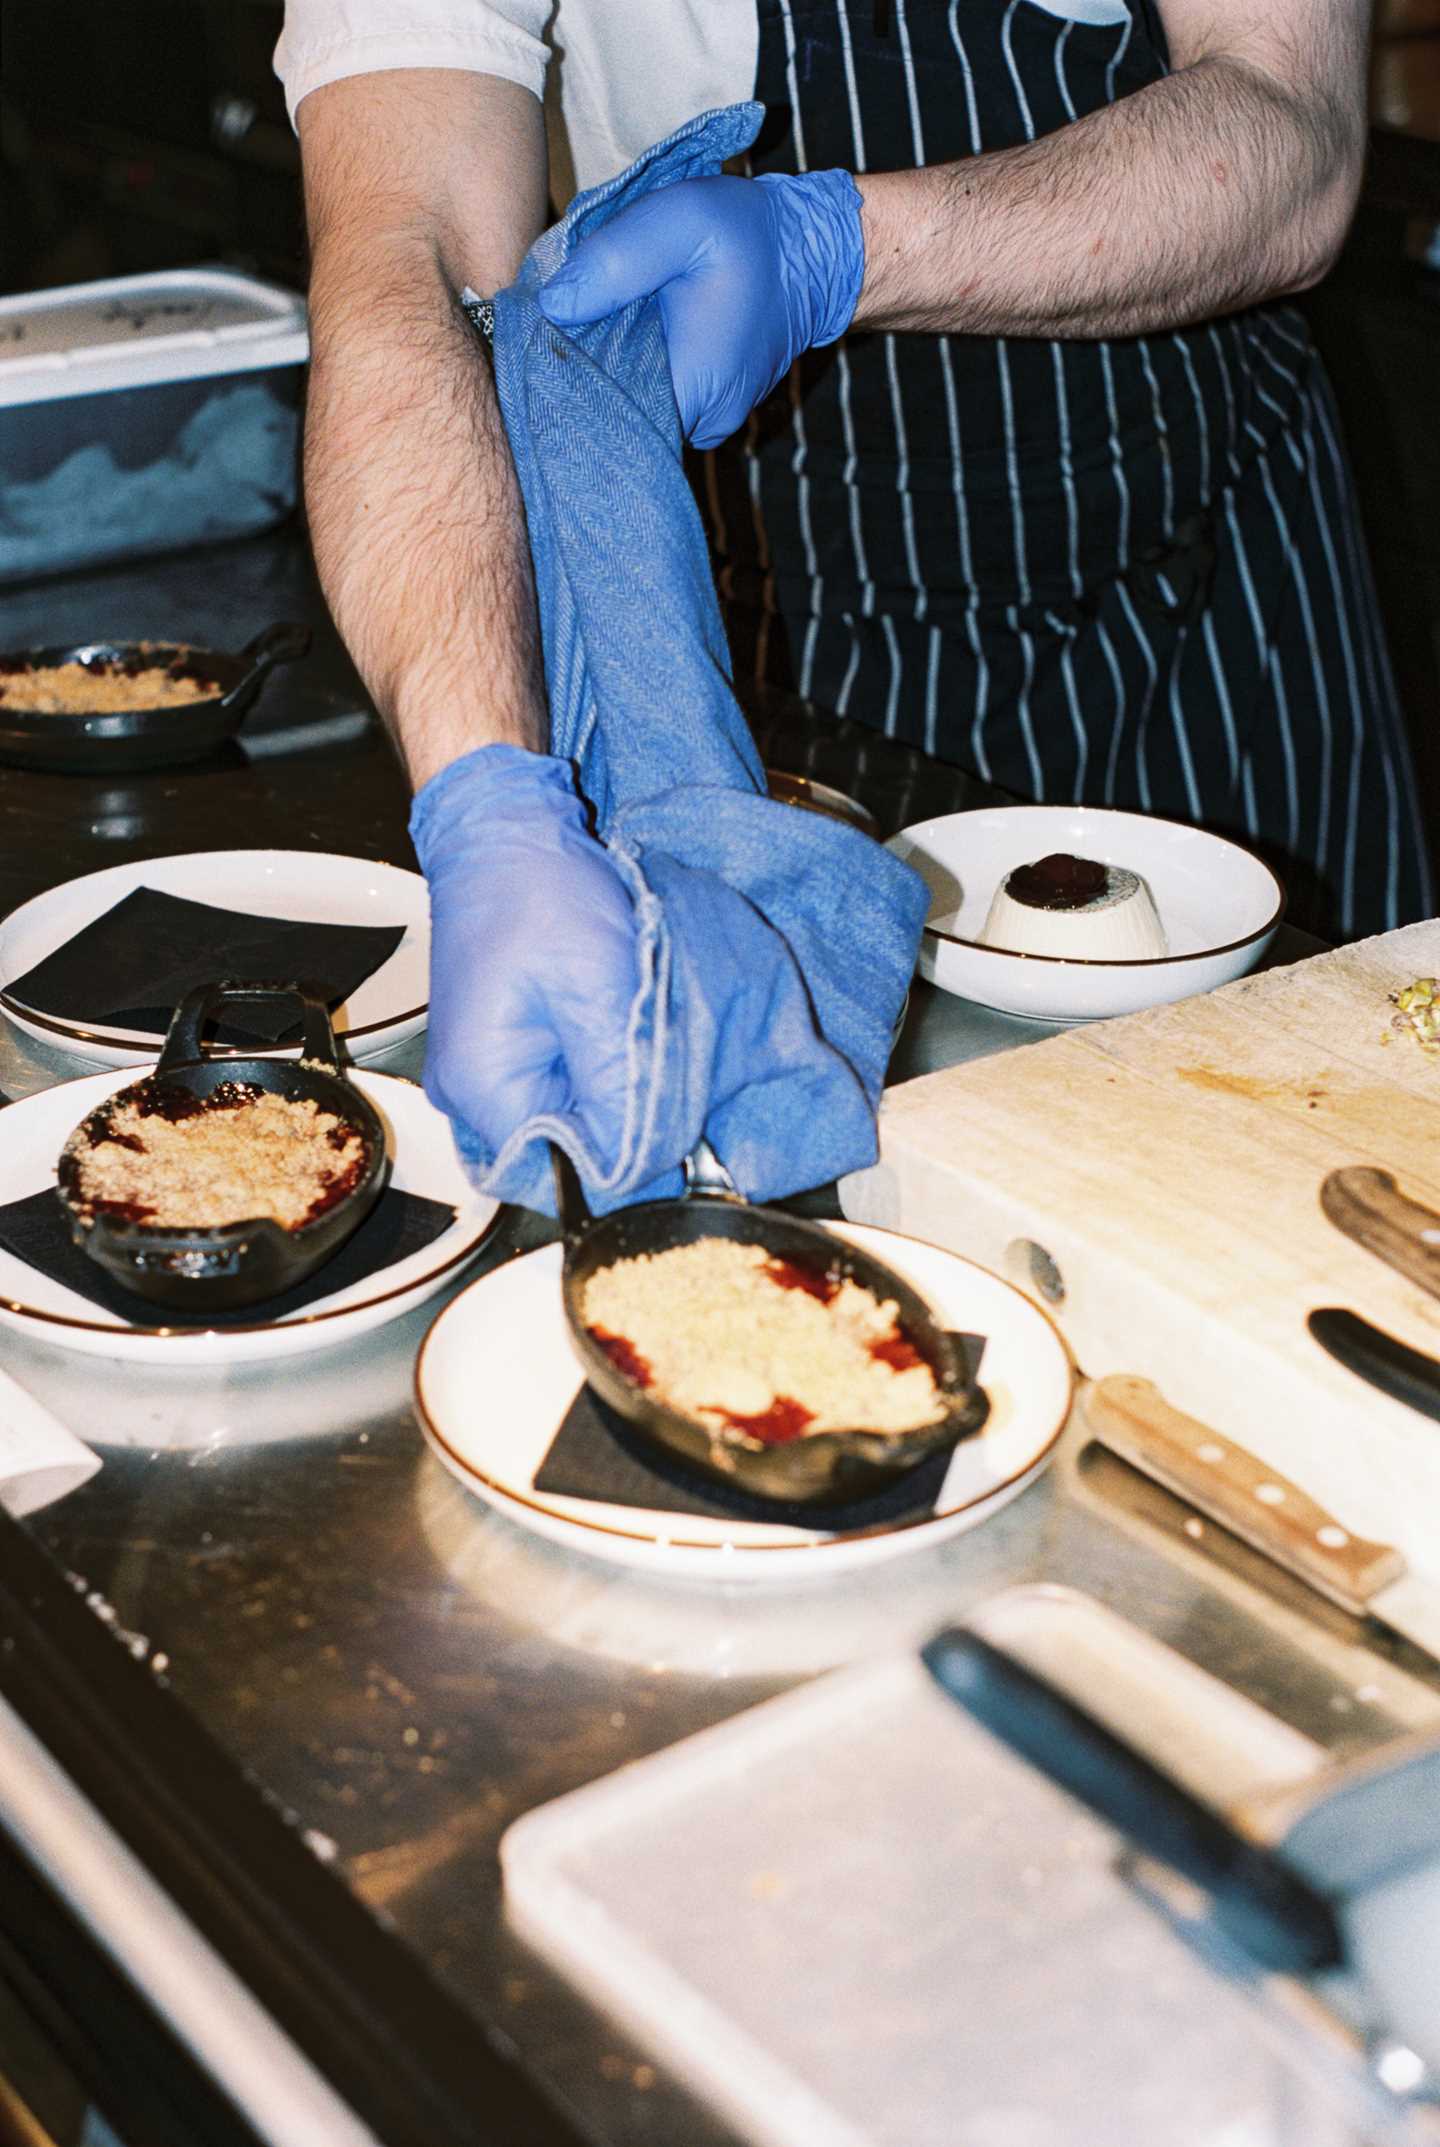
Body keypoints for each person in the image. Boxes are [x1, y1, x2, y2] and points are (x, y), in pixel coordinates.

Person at [277, 0, 1431, 1182]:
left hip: (1202, 607)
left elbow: (1296, 128)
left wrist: (841, 244)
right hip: (800, 625)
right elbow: (401, 262)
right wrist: (487, 804)